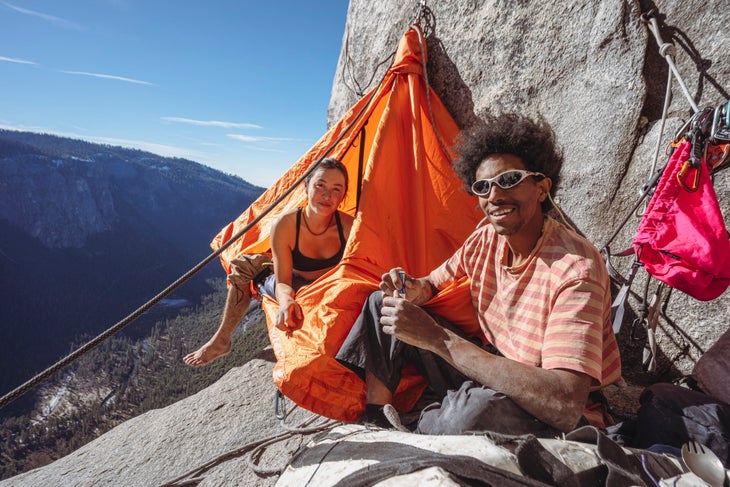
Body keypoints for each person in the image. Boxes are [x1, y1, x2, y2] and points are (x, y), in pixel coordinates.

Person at [336, 113, 622, 435]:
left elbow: (565, 401)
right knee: (382, 304)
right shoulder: (487, 238)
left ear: (542, 188)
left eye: (510, 180)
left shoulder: (574, 268)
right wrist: (413, 289)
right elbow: (432, 283)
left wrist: (436, 337)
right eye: (483, 186)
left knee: (471, 413)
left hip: (546, 405)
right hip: (489, 363)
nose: (495, 195)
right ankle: (377, 418)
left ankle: (419, 428)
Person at [185, 157, 355, 366]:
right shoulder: (285, 225)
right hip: (293, 279)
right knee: (244, 268)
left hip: (328, 286)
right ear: (306, 186)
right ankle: (221, 340)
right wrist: (286, 301)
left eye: (337, 189)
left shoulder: (349, 227)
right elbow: (283, 281)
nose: (327, 195)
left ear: (344, 194)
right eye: (320, 185)